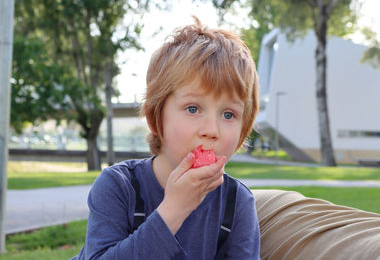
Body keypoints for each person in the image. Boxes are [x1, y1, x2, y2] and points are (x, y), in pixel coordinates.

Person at [72, 16, 260, 259]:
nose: (211, 130)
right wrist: (173, 210)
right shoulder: (119, 186)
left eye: (228, 114)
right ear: (155, 119)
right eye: (193, 109)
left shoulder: (237, 203)